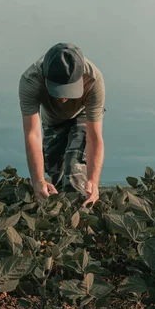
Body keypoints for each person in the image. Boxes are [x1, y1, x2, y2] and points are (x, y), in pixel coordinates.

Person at [18, 43, 105, 207]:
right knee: (54, 181)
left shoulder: (94, 79)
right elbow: (32, 134)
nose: (64, 98)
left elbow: (95, 136)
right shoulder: (31, 80)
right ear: (45, 78)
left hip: (81, 116)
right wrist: (37, 181)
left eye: (69, 89)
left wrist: (93, 181)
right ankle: (60, 225)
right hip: (51, 122)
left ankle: (79, 222)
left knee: (75, 172)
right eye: (58, 89)